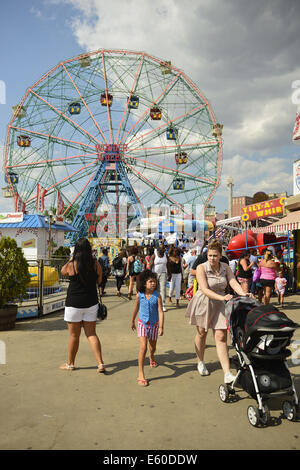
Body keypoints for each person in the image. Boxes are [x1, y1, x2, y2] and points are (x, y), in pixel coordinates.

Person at [185, 240, 254, 383]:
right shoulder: (201, 267)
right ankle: (200, 361)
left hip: (220, 303)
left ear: (220, 255)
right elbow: (204, 289)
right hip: (204, 302)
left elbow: (233, 282)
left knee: (221, 336)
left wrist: (243, 293)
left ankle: (227, 373)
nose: (212, 258)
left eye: (215, 255)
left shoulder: (225, 267)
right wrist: (222, 297)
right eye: (210, 255)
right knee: (202, 333)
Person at [60, 238, 105, 373]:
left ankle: (70, 364)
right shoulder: (95, 264)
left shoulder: (72, 265)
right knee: (91, 334)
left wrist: (71, 258)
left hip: (74, 303)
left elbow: (62, 271)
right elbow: (99, 280)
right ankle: (100, 363)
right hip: (91, 302)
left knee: (74, 336)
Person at [131, 270, 164, 387]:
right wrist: (132, 321)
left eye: (154, 281)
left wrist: (161, 326)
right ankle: (140, 373)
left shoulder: (157, 296)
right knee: (143, 347)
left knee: (152, 347)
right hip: (142, 324)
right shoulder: (139, 295)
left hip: (154, 325)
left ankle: (152, 356)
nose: (153, 284)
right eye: (150, 282)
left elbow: (160, 311)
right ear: (144, 283)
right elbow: (136, 309)